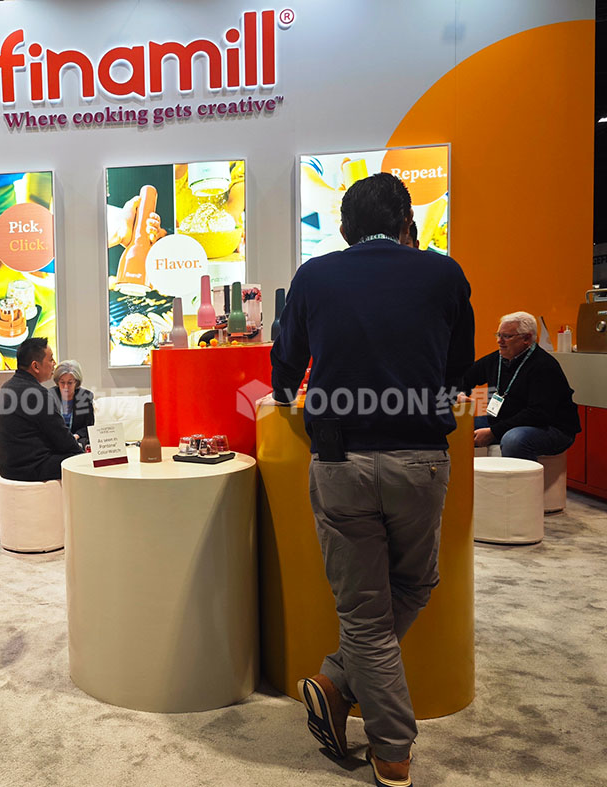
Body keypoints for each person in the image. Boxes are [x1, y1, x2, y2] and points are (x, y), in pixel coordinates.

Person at [270, 173, 474, 787]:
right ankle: (388, 741)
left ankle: (345, 692)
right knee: (416, 584)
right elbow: (458, 375)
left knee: (366, 614)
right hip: (421, 458)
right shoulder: (445, 274)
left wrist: (290, 392)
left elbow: (284, 370)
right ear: (408, 223)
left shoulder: (314, 276)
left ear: (343, 229)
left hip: (341, 461)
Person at [462, 311, 580, 461]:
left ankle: (518, 478)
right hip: (506, 420)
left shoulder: (544, 366)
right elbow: (466, 377)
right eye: (498, 335)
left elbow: (538, 414)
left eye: (506, 336)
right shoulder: (497, 359)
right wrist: (461, 394)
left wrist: (494, 432)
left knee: (513, 440)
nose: (499, 341)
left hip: (550, 427)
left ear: (527, 338)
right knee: (458, 425)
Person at [0, 337, 83, 481]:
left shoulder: (8, 386)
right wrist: (82, 453)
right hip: (30, 468)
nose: (54, 364)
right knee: (80, 461)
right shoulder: (37, 394)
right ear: (35, 366)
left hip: (8, 467)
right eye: (51, 359)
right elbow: (62, 438)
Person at [50, 360, 94, 448]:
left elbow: (88, 426)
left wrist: (76, 436)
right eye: (62, 382)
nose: (65, 387)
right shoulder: (49, 396)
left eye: (70, 383)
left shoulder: (85, 397)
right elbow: (46, 425)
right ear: (57, 382)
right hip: (54, 440)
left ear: (76, 382)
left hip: (77, 440)